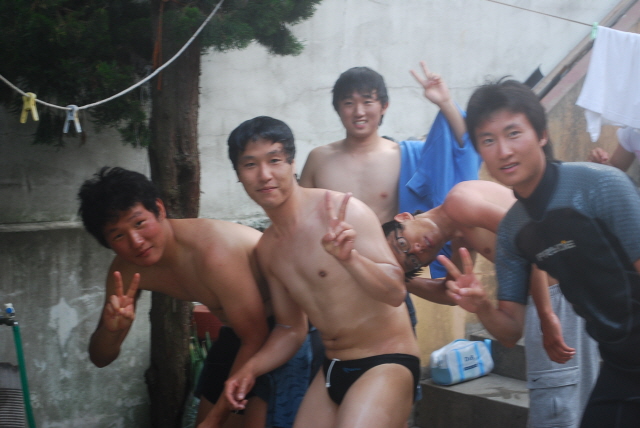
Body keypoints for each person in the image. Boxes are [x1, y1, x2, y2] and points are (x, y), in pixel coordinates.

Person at [457, 79, 640, 427]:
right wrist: (481, 306)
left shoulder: (601, 186)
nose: (503, 151)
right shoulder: (513, 231)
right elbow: (510, 331)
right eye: (488, 140)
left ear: (542, 134)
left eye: (513, 133)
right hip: (620, 365)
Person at [77, 167, 313, 428]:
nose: (136, 241)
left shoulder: (212, 253)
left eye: (139, 223)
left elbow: (255, 336)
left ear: (159, 209)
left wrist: (214, 419)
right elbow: (100, 358)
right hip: (240, 332)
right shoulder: (124, 273)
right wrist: (111, 331)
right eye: (118, 235)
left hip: (289, 330)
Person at [224, 116, 420, 428]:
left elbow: (396, 292)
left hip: (386, 360)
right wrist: (249, 369)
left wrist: (350, 259)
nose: (264, 175)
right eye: (250, 165)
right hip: (332, 368)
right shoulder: (268, 249)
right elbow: (290, 328)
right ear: (238, 174)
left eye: (274, 160)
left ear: (292, 163)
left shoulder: (343, 212)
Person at [382, 180, 600, 428]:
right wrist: (401, 281)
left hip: (560, 296)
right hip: (567, 290)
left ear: (404, 217)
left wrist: (546, 314)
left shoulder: (459, 202)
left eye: (403, 243)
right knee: (575, 406)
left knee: (557, 408)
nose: (417, 248)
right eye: (413, 260)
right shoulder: (460, 234)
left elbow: (532, 238)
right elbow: (451, 293)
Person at [299, 62, 481, 324]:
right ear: (337, 108)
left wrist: (445, 103)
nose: (359, 111)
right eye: (349, 103)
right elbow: (301, 221)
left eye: (368, 101)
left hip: (388, 283)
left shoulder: (406, 155)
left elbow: (463, 149)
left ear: (384, 106)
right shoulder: (319, 159)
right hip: (333, 284)